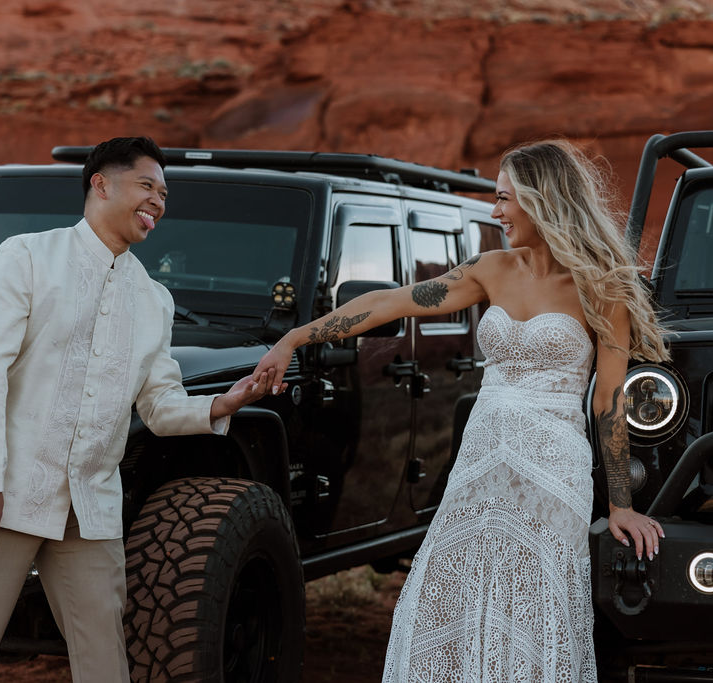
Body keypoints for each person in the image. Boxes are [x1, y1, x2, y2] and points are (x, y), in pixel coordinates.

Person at [253, 140, 669, 681]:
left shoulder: (603, 287)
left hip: (552, 468)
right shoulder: (490, 269)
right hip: (480, 458)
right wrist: (295, 338)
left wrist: (619, 505)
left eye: (504, 199)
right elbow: (390, 302)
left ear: (543, 199)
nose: (495, 212)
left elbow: (608, 399)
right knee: (447, 591)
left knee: (532, 602)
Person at [0, 136, 276, 683]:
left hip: (89, 505)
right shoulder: (26, 257)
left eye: (164, 193)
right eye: (147, 186)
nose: (158, 201)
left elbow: (158, 405)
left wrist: (220, 405)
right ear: (100, 183)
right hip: (5, 490)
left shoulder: (154, 300)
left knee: (104, 655)